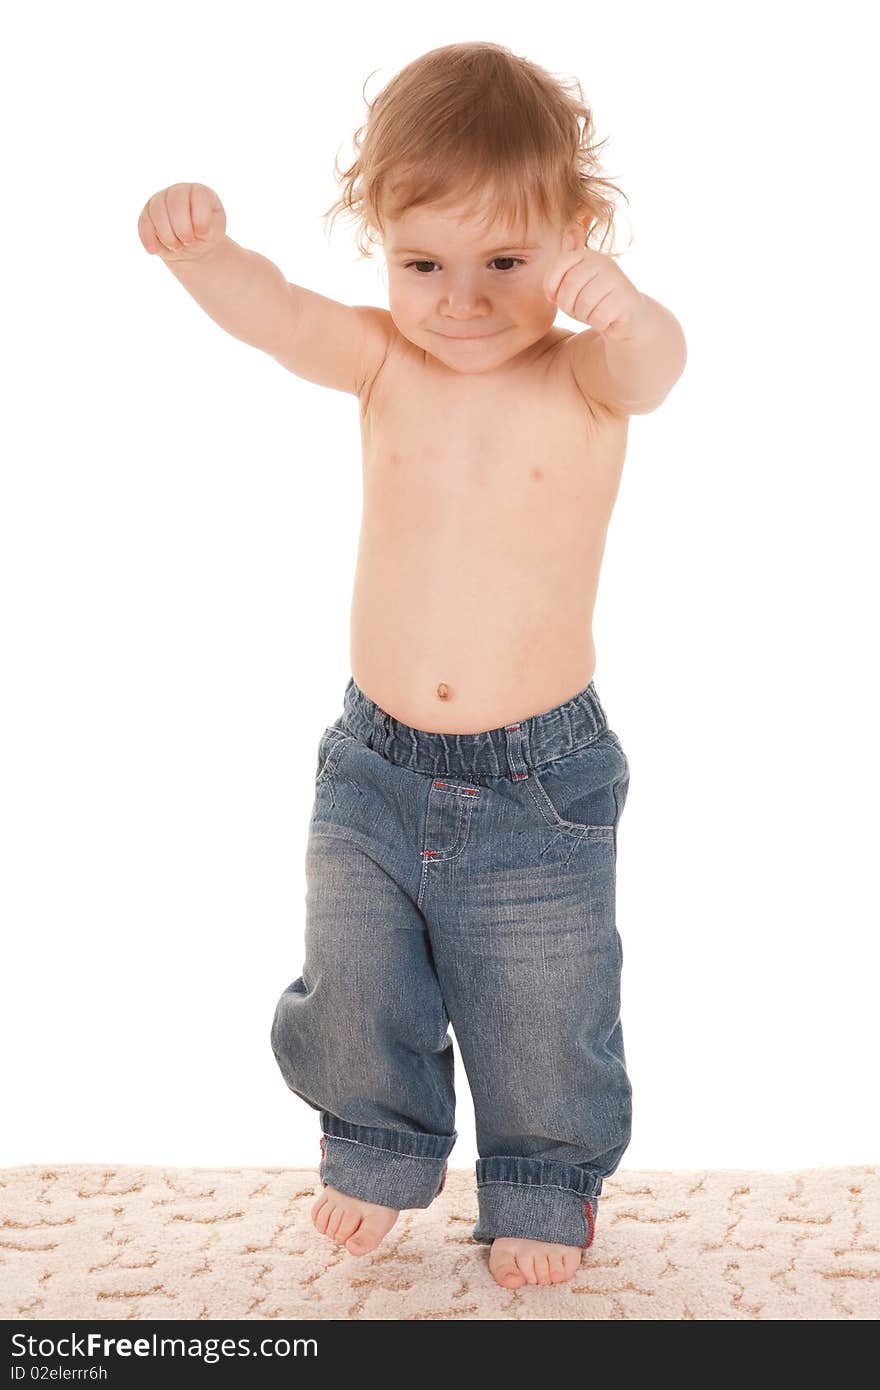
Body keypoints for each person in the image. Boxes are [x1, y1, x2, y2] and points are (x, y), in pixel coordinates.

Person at [137, 40, 686, 1290]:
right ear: (379, 244)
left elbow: (656, 368)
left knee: (542, 1004)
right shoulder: (386, 358)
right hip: (373, 762)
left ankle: (543, 1181)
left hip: (537, 785)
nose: (464, 299)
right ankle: (376, 1145)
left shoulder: (582, 373)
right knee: (357, 975)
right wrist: (204, 256)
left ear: (576, 236)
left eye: (507, 264)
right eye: (422, 263)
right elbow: (277, 315)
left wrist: (626, 310)